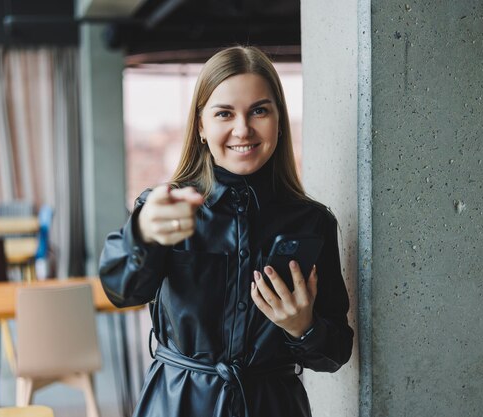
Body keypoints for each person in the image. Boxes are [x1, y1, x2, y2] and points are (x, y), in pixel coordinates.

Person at [99, 46, 353, 417]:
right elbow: (119, 291)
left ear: (279, 121)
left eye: (259, 111)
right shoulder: (166, 209)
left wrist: (304, 328)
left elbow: (336, 353)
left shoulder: (312, 222)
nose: (242, 128)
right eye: (224, 113)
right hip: (180, 403)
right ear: (201, 126)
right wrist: (141, 235)